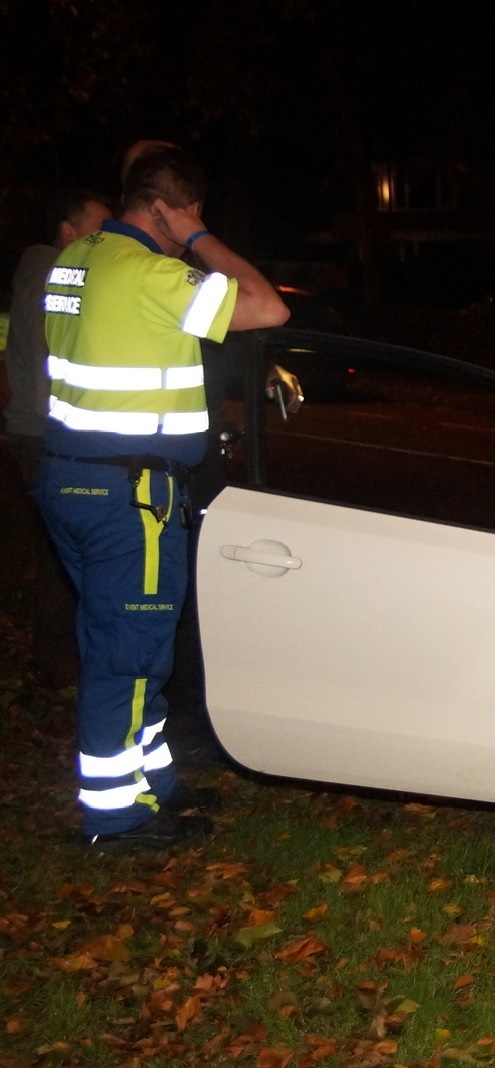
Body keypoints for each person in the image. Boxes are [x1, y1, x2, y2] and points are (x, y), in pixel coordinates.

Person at [35, 147, 289, 851]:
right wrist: (200, 240)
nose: (196, 227)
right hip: (129, 495)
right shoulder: (152, 274)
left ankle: (152, 784)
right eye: (193, 213)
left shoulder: (75, 261)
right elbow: (266, 306)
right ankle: (117, 816)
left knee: (121, 641)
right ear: (166, 208)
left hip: (71, 478)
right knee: (130, 653)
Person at [5, 187, 111, 687]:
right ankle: (55, 662)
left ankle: (55, 658)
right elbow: (54, 363)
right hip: (44, 433)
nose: (104, 237)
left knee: (60, 545)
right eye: (96, 227)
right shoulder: (52, 279)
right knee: (64, 549)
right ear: (68, 232)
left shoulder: (45, 272)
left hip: (37, 429)